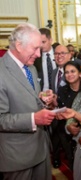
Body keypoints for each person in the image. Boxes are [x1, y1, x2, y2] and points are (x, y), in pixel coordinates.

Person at [0, 23, 56, 180]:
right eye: (35, 48)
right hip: (17, 156)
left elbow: (29, 99)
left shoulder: (30, 68)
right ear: (19, 45)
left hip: (42, 149)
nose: (39, 54)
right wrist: (33, 119)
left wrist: (44, 101)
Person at [51, 61, 81, 169]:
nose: (69, 74)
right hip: (66, 128)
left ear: (80, 73)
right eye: (66, 72)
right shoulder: (62, 90)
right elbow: (61, 109)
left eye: (73, 71)